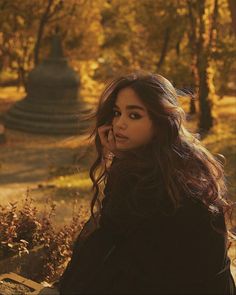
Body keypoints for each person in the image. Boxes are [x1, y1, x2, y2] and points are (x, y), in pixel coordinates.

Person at [58, 72, 236, 294]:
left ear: (161, 120)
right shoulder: (182, 158)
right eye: (117, 112)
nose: (119, 124)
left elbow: (112, 234)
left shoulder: (158, 180)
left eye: (134, 115)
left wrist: (119, 163)